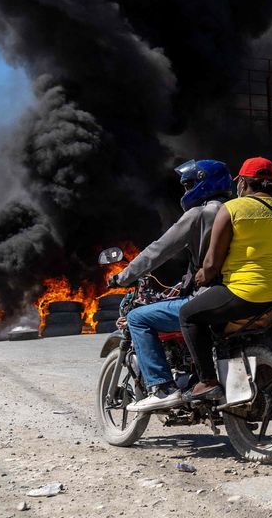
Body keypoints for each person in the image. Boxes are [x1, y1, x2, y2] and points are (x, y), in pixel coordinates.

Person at [180, 157, 272, 401]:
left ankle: (207, 381)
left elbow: (211, 264)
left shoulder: (232, 209)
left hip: (250, 292)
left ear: (242, 183)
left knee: (188, 314)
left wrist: (200, 277)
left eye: (238, 182)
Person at [107, 159, 232, 413]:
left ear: (202, 183)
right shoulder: (239, 210)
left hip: (210, 296)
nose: (186, 192)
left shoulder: (199, 214)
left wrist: (123, 276)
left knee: (138, 318)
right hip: (240, 293)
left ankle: (161, 388)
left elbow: (158, 250)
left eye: (189, 185)